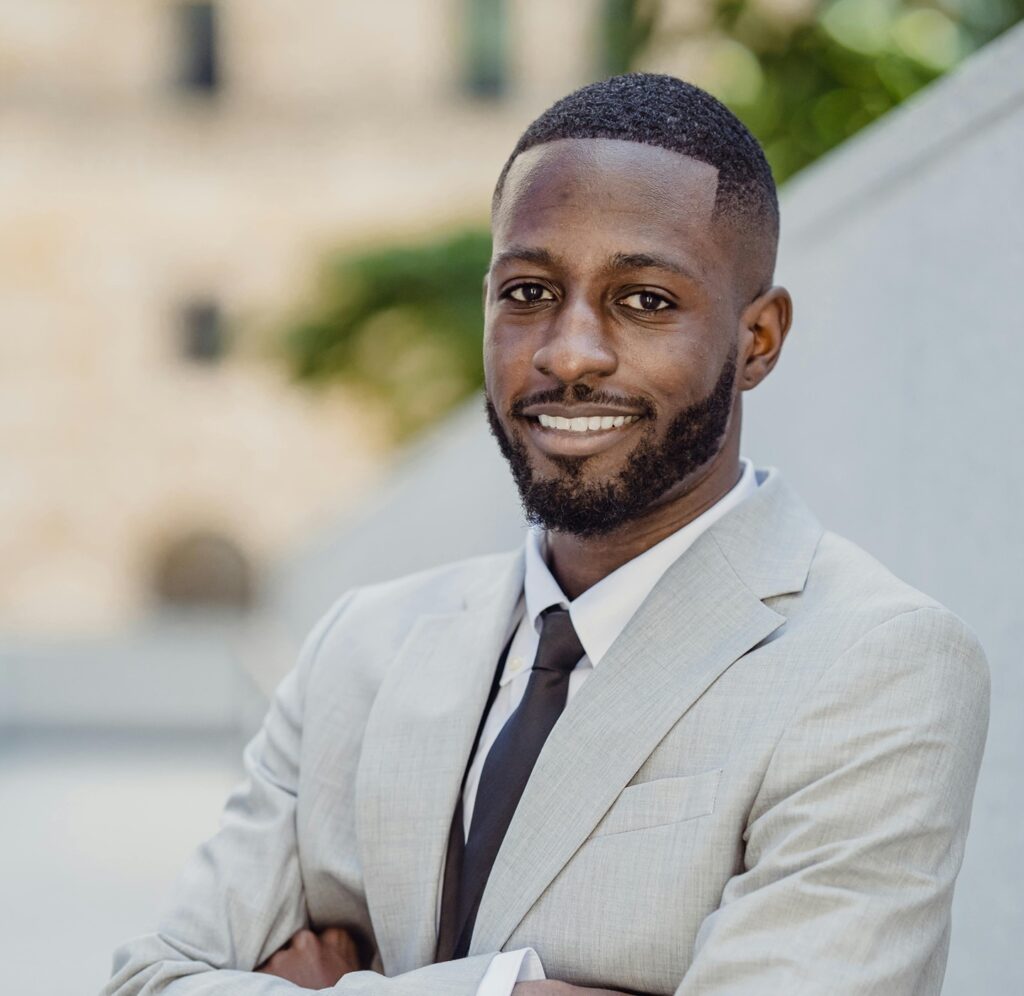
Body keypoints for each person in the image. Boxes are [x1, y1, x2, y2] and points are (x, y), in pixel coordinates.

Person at [104, 74, 989, 996]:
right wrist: (504, 992)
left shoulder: (877, 663)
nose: (568, 353)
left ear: (758, 338)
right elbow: (147, 984)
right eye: (528, 291)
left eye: (643, 300)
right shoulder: (359, 648)